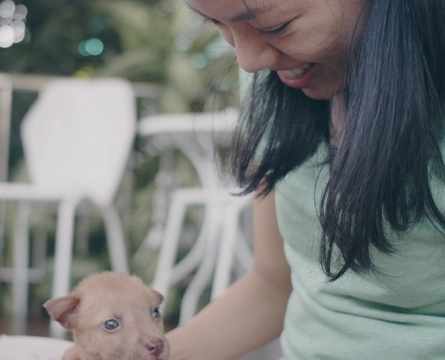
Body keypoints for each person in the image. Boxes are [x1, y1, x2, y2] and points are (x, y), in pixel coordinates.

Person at [166, 0, 445, 359]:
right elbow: (273, 284)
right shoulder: (271, 76)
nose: (248, 61)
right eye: (217, 24)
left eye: (276, 27)